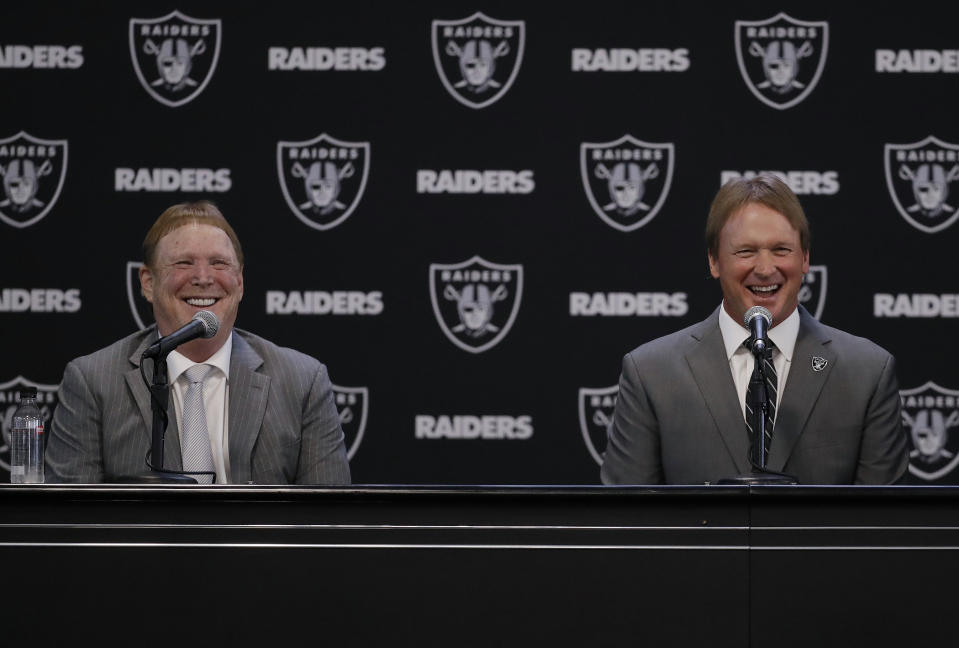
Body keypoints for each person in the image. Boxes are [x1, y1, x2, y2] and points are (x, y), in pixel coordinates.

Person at [601, 174, 908, 485]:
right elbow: (628, 524)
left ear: (805, 258)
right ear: (714, 261)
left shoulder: (866, 372)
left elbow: (884, 527)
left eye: (781, 250)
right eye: (746, 251)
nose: (764, 269)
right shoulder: (652, 374)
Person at [45, 201, 351, 485]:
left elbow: (330, 524)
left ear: (240, 283)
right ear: (148, 283)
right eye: (183, 263)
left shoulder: (302, 381)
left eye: (219, 264)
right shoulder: (92, 381)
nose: (203, 278)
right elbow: (69, 526)